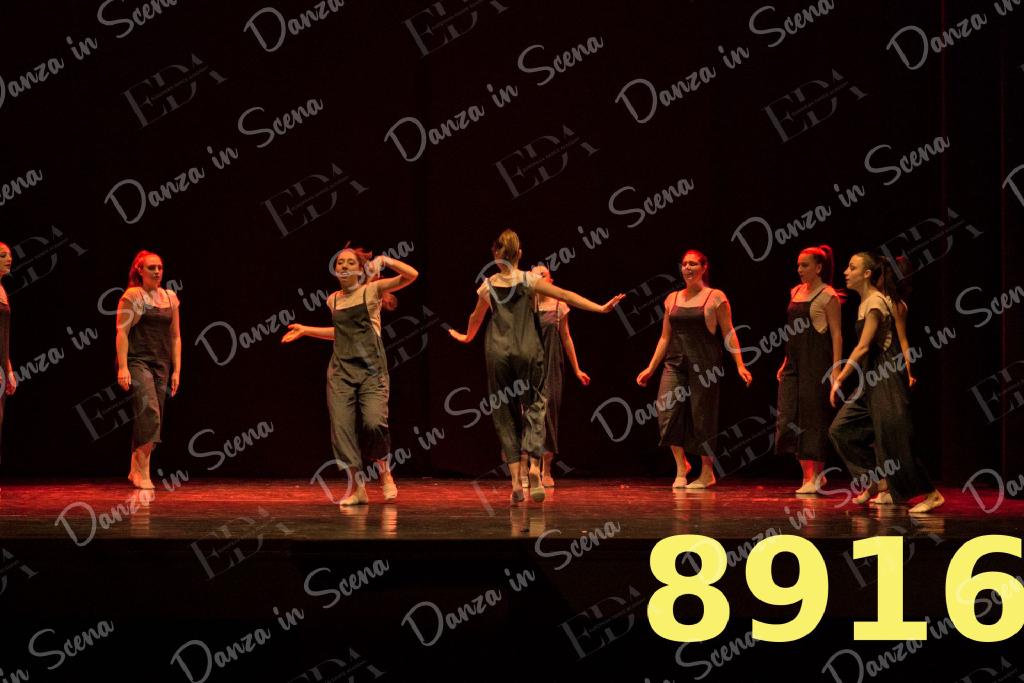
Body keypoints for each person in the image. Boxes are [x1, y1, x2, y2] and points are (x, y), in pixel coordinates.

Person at [449, 230, 623, 504]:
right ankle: (533, 467)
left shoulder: (488, 285)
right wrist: (600, 308)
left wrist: (467, 337)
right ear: (519, 254)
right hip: (527, 348)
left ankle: (515, 483)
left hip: (497, 350)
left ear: (496, 255)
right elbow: (565, 294)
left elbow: (475, 317)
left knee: (504, 412)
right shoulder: (529, 280)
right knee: (536, 404)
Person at [282, 246, 418, 506]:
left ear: (359, 269)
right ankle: (358, 488)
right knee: (342, 429)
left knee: (374, 423)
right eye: (340, 263)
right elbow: (340, 333)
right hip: (341, 371)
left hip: (371, 370)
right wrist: (306, 330)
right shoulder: (333, 300)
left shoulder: (371, 291)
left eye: (349, 262)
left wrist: (385, 260)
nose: (343, 266)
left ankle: (384, 472)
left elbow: (412, 275)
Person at [828, 252, 944, 514]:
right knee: (840, 430)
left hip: (886, 375)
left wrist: (839, 378)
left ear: (867, 274)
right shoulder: (866, 302)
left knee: (895, 438)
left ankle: (931, 493)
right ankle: (878, 481)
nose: (845, 272)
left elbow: (863, 347)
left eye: (852, 267)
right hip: (871, 377)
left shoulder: (877, 303)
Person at [636, 250, 753, 489]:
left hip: (705, 362)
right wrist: (650, 368)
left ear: (703, 268)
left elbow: (728, 332)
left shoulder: (715, 296)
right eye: (684, 264)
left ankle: (707, 472)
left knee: (702, 416)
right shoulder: (672, 299)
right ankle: (682, 466)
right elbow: (664, 337)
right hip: (675, 362)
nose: (687, 268)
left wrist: (740, 364)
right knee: (666, 410)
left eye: (692, 264)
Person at [775, 246, 842, 494]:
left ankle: (814, 477)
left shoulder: (828, 295)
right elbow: (792, 332)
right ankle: (809, 475)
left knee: (813, 416)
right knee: (788, 415)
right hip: (794, 361)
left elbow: (836, 334)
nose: (799, 269)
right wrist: (785, 361)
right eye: (798, 265)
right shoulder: (795, 292)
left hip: (817, 361)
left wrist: (836, 368)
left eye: (805, 265)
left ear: (818, 268)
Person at [115, 251, 181, 490]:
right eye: (151, 267)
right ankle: (144, 471)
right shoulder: (133, 296)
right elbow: (122, 332)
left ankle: (135, 467)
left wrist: (177, 370)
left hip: (161, 363)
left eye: (160, 267)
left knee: (154, 416)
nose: (157, 272)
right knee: (150, 412)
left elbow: (175, 336)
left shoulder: (170, 297)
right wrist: (123, 367)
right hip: (137, 361)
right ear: (139, 270)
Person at [531, 264, 590, 488]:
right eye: (534, 275)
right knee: (529, 415)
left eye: (543, 275)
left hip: (551, 366)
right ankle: (530, 468)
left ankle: (546, 468)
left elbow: (566, 338)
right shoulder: (525, 306)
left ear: (551, 281)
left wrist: (577, 369)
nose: (539, 278)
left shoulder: (559, 306)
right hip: (529, 368)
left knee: (549, 414)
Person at [0, 244, 17, 488]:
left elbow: (3, 336)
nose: (9, 259)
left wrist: (9, 369)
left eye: (10, 255)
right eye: (2, 256)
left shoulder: (2, 290)